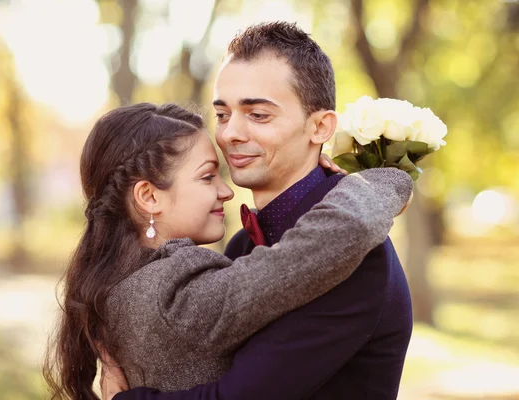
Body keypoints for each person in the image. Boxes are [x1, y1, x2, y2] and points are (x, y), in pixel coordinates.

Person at [106, 22, 414, 400]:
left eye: (258, 115)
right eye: (222, 115)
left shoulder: (354, 251)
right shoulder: (240, 245)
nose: (230, 134)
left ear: (320, 127)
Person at [42, 102, 412, 399]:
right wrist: (380, 179)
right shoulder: (174, 293)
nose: (226, 191)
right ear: (149, 196)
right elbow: (312, 251)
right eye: (207, 176)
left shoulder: (117, 286)